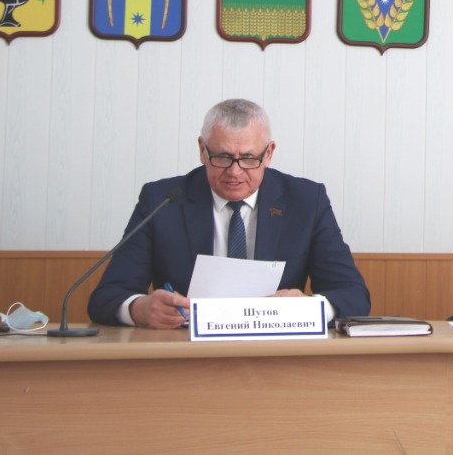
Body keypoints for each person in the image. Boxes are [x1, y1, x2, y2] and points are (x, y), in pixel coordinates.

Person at [87, 99, 370, 328]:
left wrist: (309, 308)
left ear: (269, 153)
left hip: (276, 355)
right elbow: (107, 297)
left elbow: (353, 295)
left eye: (248, 158)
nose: (235, 172)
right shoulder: (162, 201)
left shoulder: (306, 201)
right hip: (184, 354)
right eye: (222, 157)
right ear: (202, 150)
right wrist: (139, 309)